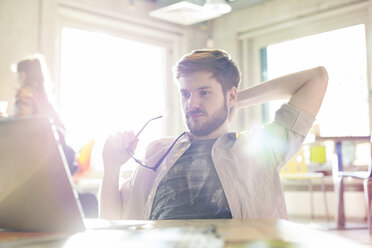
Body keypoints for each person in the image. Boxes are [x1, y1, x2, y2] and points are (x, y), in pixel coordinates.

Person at [100, 49, 328, 220]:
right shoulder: (158, 153)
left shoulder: (258, 149)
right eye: (185, 94)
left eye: (204, 92)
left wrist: (237, 100)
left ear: (230, 96)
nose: (192, 104)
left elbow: (316, 79)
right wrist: (111, 167)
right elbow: (111, 221)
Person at [13, 54, 77, 173]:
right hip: (53, 166)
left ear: (24, 76)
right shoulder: (48, 102)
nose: (17, 82)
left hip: (32, 162)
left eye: (19, 77)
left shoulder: (25, 95)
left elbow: (17, 130)